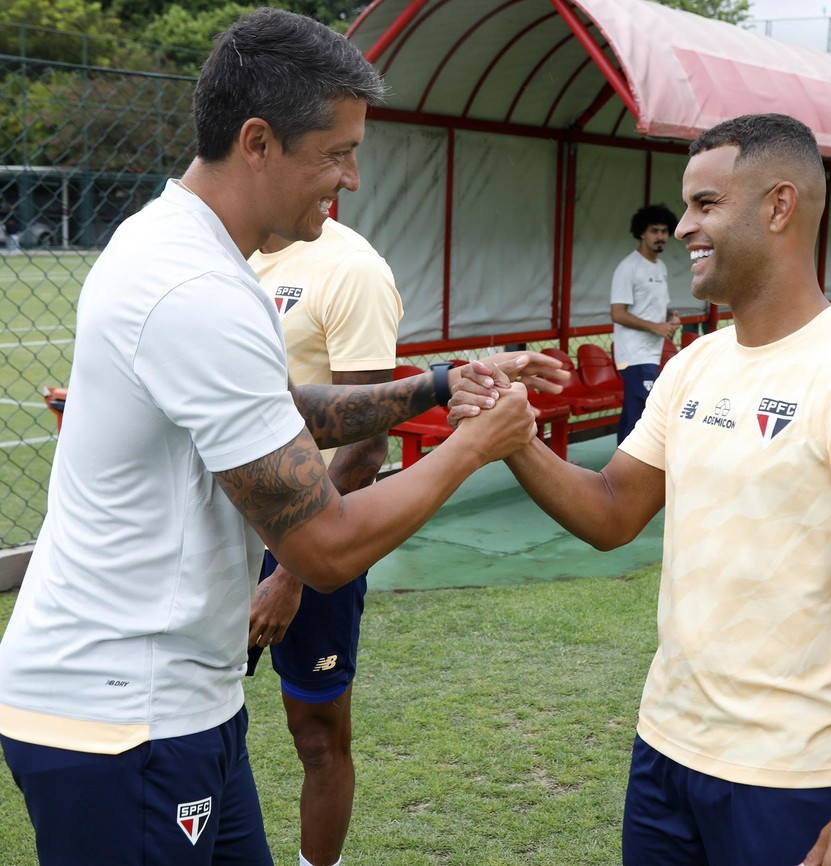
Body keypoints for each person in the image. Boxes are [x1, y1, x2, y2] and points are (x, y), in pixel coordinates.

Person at [0, 9, 564, 865]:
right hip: (119, 717)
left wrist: (442, 383)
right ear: (257, 142)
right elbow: (327, 547)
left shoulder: (187, 247)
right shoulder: (194, 287)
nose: (353, 178)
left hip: (187, 701)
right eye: (337, 152)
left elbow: (280, 409)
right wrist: (474, 445)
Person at [498, 114, 831, 866]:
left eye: (705, 204)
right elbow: (612, 512)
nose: (685, 228)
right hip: (665, 750)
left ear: (778, 206)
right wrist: (515, 438)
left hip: (791, 775)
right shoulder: (692, 367)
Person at [246, 219, 403, 866]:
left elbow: (367, 442)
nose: (350, 175)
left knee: (316, 734)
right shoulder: (220, 250)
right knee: (195, 718)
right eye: (336, 151)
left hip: (304, 537)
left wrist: (290, 569)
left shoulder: (351, 269)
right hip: (210, 536)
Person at [610, 203, 682, 443]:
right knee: (642, 415)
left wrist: (670, 317)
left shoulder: (660, 267)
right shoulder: (628, 267)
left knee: (633, 411)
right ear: (641, 232)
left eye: (664, 231)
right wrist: (657, 327)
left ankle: (617, 472)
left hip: (651, 353)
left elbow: (656, 307)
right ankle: (629, 475)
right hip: (632, 355)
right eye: (654, 231)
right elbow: (617, 313)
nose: (660, 236)